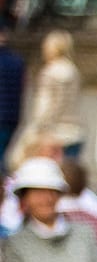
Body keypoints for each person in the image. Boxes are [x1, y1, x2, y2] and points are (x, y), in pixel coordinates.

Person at [14, 32, 81, 167]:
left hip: (52, 133)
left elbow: (45, 106)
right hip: (73, 131)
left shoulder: (50, 73)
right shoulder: (73, 70)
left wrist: (36, 129)